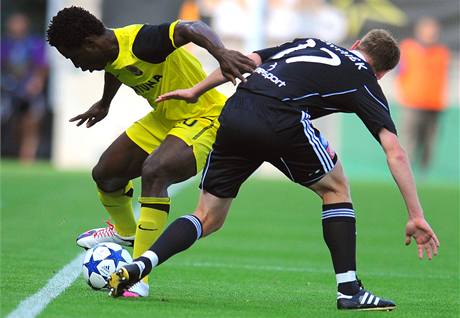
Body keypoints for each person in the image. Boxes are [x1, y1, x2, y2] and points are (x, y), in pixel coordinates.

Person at [108, 29, 440, 311]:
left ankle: (142, 263)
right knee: (336, 189)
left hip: (237, 109)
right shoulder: (365, 79)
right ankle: (350, 291)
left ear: (356, 45)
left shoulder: (311, 43)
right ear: (381, 72)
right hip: (281, 121)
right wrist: (415, 213)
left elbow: (245, 61)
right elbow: (394, 150)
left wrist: (197, 91)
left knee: (207, 216)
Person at [46, 6, 255, 297]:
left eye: (74, 57)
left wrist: (221, 54)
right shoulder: (109, 51)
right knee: (106, 175)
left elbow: (190, 27)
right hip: (165, 116)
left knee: (156, 171)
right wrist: (105, 102)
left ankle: (137, 277)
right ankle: (127, 232)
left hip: (204, 116)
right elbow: (116, 68)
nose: (78, 66)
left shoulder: (143, 42)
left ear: (90, 44)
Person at [396, 17, 450, 171]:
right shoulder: (408, 49)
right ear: (419, 32)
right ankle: (406, 172)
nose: (431, 34)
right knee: (409, 140)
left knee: (429, 142)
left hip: (434, 105)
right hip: (412, 103)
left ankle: (425, 174)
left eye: (433, 31)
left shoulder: (442, 53)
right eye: (427, 30)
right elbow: (399, 72)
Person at [1, 13, 48, 164]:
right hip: (9, 90)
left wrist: (37, 82)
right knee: (10, 124)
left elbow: (43, 67)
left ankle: (27, 159)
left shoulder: (34, 44)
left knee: (31, 124)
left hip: (29, 91)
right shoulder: (5, 45)